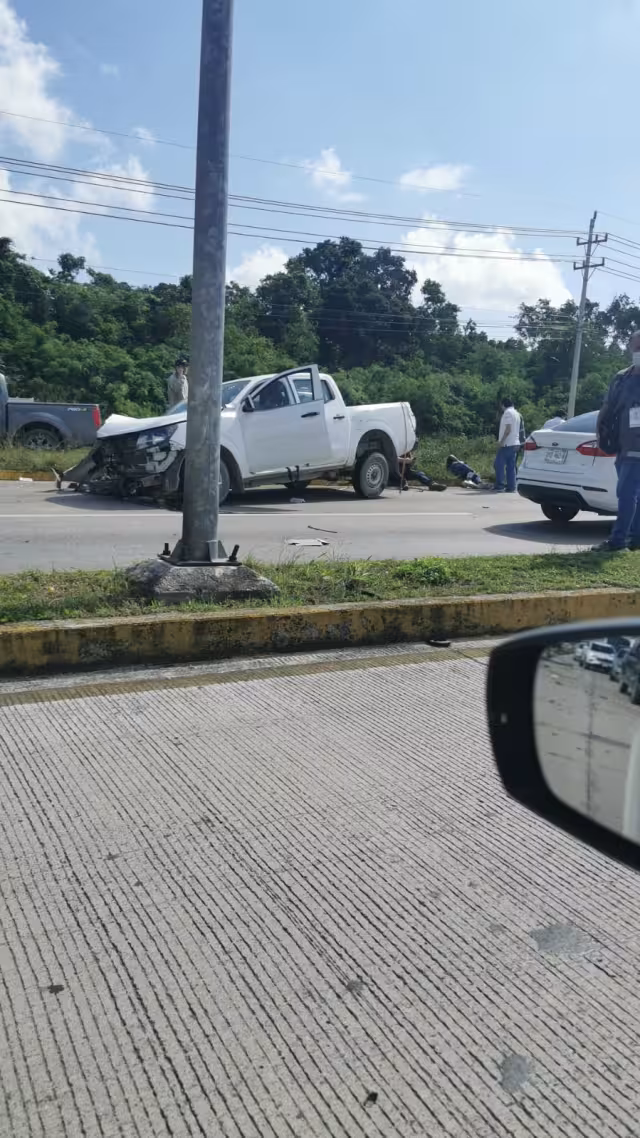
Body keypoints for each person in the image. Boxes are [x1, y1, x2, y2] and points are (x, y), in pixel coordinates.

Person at [592, 330, 640, 552]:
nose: (638, 351)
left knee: (627, 494)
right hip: (623, 446)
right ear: (630, 347)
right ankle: (634, 539)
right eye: (637, 347)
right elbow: (607, 407)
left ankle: (618, 541)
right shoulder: (622, 377)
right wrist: (599, 432)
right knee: (631, 494)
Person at [494, 397, 522, 493]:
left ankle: (500, 485)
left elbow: (508, 429)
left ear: (503, 405)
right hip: (515, 443)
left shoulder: (507, 413)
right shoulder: (517, 414)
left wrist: (501, 442)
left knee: (499, 464)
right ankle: (511, 486)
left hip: (507, 443)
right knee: (511, 466)